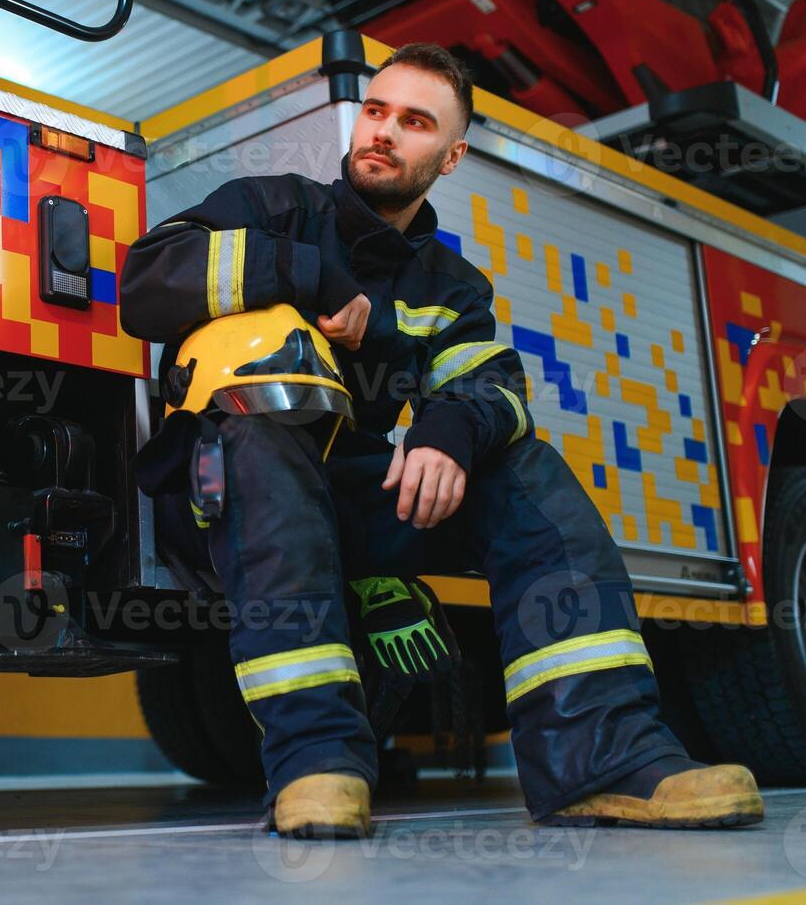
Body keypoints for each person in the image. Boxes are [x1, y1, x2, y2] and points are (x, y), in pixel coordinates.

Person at [119, 42, 764, 838]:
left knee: (522, 466)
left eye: (414, 122)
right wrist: (310, 275)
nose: (383, 132)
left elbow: (489, 385)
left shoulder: (449, 286)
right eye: (376, 111)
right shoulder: (273, 204)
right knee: (263, 444)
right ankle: (316, 764)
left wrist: (447, 437)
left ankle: (603, 757)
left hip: (347, 498)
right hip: (227, 484)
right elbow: (147, 279)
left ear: (451, 156)